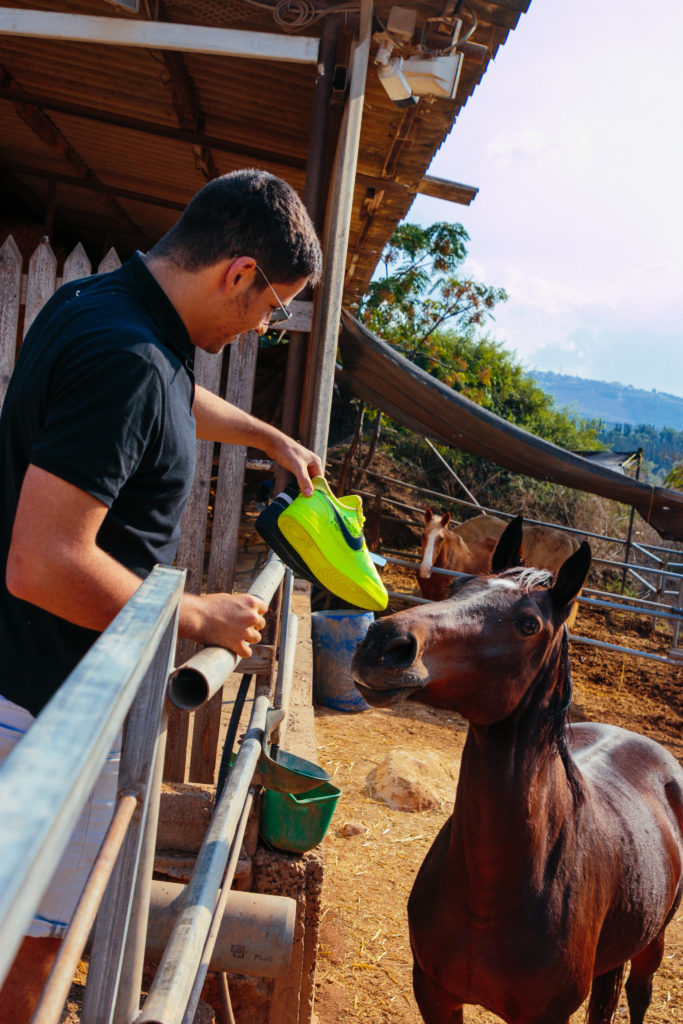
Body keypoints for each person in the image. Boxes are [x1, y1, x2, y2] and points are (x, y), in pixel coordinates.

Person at [0, 168, 323, 1020]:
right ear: (239, 273)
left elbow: (168, 402)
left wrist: (268, 436)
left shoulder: (104, 309)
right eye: (271, 305)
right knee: (28, 955)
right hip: (43, 709)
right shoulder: (130, 358)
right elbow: (41, 559)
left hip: (25, 680)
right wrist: (192, 616)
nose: (264, 323)